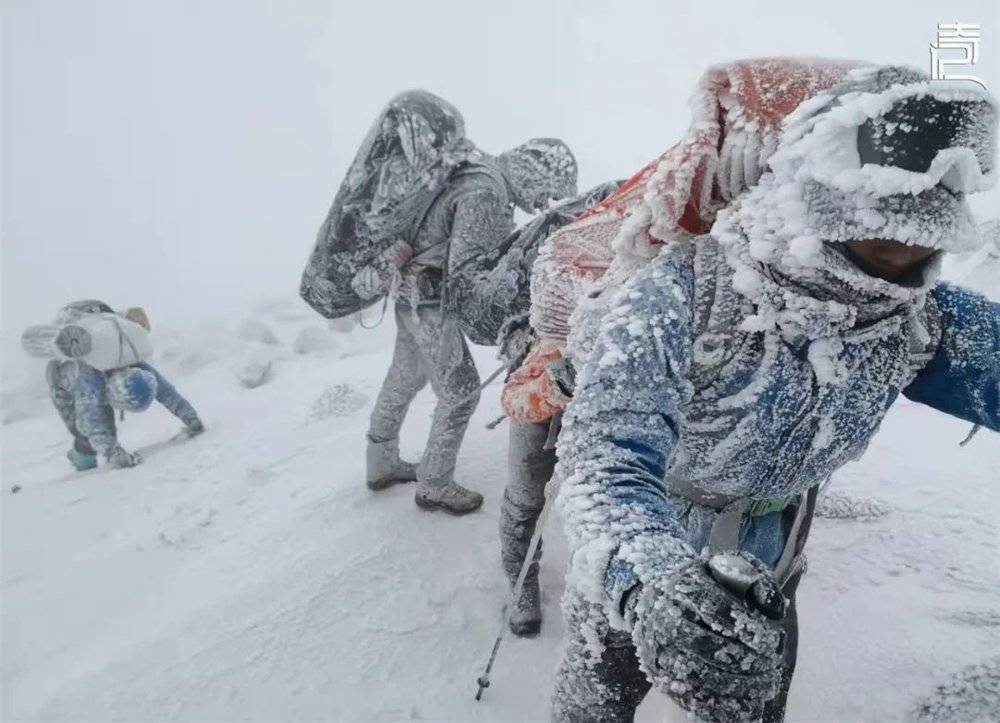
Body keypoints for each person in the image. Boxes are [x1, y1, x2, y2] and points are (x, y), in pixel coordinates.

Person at [548, 63, 999, 723]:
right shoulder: (685, 292)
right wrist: (647, 584)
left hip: (768, 565)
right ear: (821, 200)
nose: (901, 254)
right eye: (881, 231)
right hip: (646, 554)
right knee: (594, 706)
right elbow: (603, 456)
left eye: (919, 237)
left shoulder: (915, 319)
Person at [497, 58, 861, 638]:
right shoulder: (567, 314)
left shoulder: (686, 290)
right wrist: (563, 379)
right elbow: (519, 401)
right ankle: (519, 578)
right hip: (556, 402)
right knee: (526, 491)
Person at [353, 129, 579, 515]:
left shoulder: (474, 172)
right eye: (547, 190)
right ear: (532, 170)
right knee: (460, 391)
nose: (544, 202)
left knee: (405, 376)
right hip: (430, 301)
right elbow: (469, 273)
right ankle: (435, 485)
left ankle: (381, 459)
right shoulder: (487, 192)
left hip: (410, 295)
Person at [37, 300, 204, 471]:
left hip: (90, 319)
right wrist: (114, 454)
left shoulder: (135, 365)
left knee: (103, 423)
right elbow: (90, 421)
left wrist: (191, 418)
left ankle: (91, 454)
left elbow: (166, 393)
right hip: (62, 381)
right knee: (88, 433)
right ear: (114, 392)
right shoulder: (89, 377)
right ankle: (81, 462)